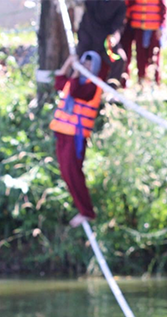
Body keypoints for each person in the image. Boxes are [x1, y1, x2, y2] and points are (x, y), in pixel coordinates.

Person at [50, 52, 103, 227]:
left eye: (89, 65)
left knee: (73, 172)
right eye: (84, 64)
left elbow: (74, 91)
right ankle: (81, 208)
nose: (85, 67)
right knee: (65, 172)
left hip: (76, 136)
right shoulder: (75, 80)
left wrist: (76, 71)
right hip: (63, 134)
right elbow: (59, 82)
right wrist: (69, 62)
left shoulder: (93, 85)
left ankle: (86, 211)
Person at [76, 0, 127, 86]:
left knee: (120, 59)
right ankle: (72, 86)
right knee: (77, 59)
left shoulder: (120, 4)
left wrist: (114, 37)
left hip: (106, 40)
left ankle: (111, 89)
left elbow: (118, 25)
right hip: (88, 37)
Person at [122, 0, 167, 87]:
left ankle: (155, 85)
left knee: (153, 57)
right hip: (138, 27)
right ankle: (141, 83)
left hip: (154, 28)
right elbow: (129, 6)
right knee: (140, 57)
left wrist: (161, 27)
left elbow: (163, 10)